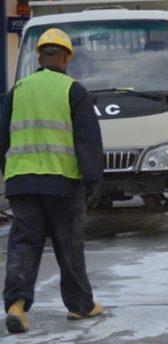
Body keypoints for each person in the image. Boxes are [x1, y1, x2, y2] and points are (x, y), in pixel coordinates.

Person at [0, 28, 104, 334]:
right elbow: (86, 139)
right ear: (67, 58)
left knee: (23, 244)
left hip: (22, 181)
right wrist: (93, 180)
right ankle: (80, 306)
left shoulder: (18, 89)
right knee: (69, 246)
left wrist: (7, 171)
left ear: (39, 56)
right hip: (62, 182)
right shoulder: (73, 90)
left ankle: (16, 306)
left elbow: (2, 134)